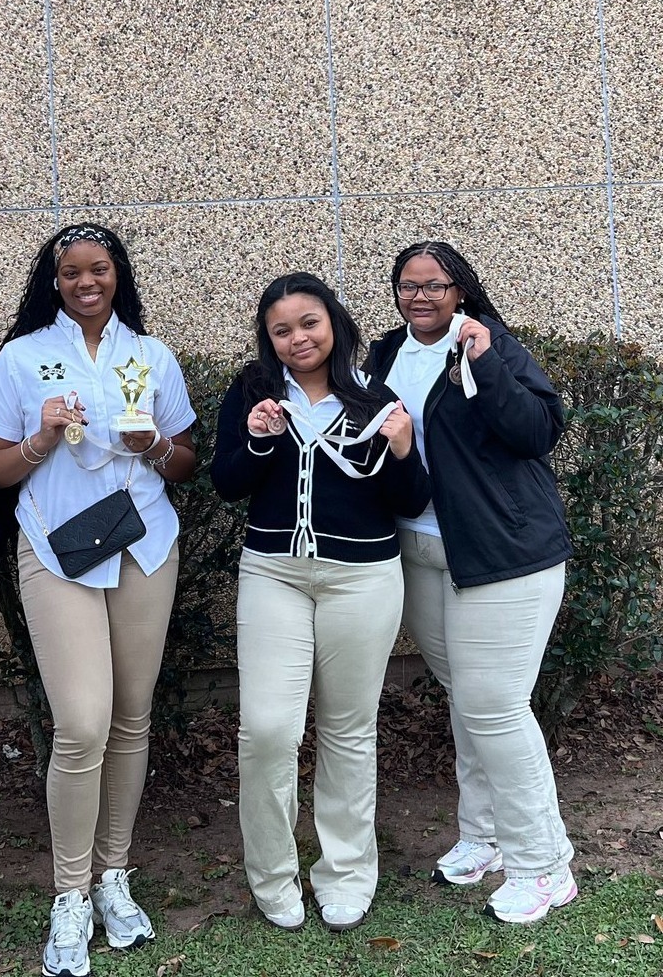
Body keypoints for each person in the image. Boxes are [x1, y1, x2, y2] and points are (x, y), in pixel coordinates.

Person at [0, 223, 196, 977]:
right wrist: (40, 439)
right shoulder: (22, 357)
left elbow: (186, 460)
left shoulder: (151, 355)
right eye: (70, 272)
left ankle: (113, 876)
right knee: (81, 724)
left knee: (132, 718)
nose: (85, 282)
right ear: (54, 281)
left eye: (97, 269)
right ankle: (69, 892)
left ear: (116, 274)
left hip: (144, 547)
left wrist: (154, 449)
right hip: (57, 550)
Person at [210, 273, 431, 933]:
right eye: (281, 330)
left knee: (348, 729)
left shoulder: (373, 397)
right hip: (274, 574)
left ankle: (345, 872)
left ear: (332, 322)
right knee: (269, 729)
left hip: (362, 578)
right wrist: (256, 439)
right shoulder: (253, 392)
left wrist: (399, 448)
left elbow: (411, 498)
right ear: (268, 339)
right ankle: (274, 875)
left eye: (309, 322)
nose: (297, 338)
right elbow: (226, 483)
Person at [365, 240, 576, 924]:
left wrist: (483, 361)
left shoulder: (490, 345)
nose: (420, 297)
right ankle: (484, 837)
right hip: (424, 551)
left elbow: (536, 431)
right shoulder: (383, 354)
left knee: (495, 706)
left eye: (435, 285)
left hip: (504, 553)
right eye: (408, 285)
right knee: (468, 698)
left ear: (461, 290)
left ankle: (544, 865)